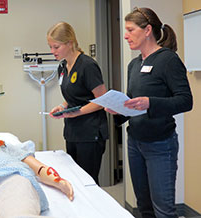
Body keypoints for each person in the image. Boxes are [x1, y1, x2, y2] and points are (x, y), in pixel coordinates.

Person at [105, 7, 193, 218]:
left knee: (163, 210)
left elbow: (185, 101)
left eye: (130, 30)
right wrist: (118, 110)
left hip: (160, 145)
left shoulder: (168, 60)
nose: (125, 35)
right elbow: (133, 104)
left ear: (147, 31)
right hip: (135, 143)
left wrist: (150, 103)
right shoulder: (133, 65)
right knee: (144, 207)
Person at [47, 22, 109, 185]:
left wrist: (77, 112)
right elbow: (73, 94)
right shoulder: (63, 66)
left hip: (90, 133)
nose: (52, 52)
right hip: (72, 131)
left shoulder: (87, 65)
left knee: (87, 182)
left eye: (56, 47)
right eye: (51, 47)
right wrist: (63, 106)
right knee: (74, 179)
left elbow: (102, 101)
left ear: (69, 43)